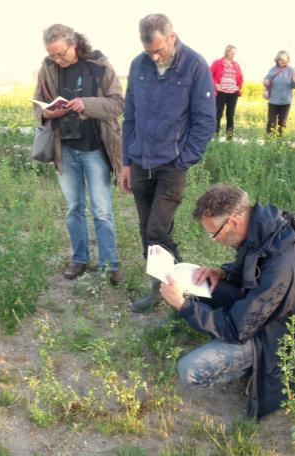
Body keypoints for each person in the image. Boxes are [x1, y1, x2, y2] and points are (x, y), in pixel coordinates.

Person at [159, 185, 295, 419]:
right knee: (197, 288)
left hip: (278, 333)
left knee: (190, 370)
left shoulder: (282, 266)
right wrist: (224, 272)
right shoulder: (263, 229)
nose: (213, 240)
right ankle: (213, 330)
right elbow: (255, 265)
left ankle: (248, 366)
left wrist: (183, 307)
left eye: (213, 233)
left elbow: (237, 328)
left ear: (234, 222)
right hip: (261, 309)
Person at [121, 14, 216, 312]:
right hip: (140, 163)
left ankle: (182, 291)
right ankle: (160, 286)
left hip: (171, 165)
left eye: (159, 49)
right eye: (149, 51)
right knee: (145, 229)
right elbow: (130, 117)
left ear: (172, 37)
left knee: (157, 231)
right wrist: (126, 161)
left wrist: (183, 160)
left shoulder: (195, 65)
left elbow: (205, 120)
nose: (154, 56)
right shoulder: (138, 65)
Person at [33, 24, 124, 283]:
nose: (56, 59)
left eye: (61, 54)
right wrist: (47, 113)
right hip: (65, 149)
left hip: (95, 148)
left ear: (74, 44)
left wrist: (87, 104)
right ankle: (79, 259)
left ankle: (110, 264)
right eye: (52, 55)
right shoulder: (47, 69)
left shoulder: (98, 65)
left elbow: (118, 103)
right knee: (74, 207)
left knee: (102, 210)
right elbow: (37, 105)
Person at [210, 45, 244, 139]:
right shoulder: (217, 62)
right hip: (221, 92)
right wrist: (215, 84)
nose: (233, 55)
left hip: (233, 93)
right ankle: (215, 136)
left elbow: (240, 77)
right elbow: (209, 74)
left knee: (230, 115)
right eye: (232, 52)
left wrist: (238, 87)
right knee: (218, 114)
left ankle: (229, 137)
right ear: (227, 51)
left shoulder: (236, 64)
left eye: (235, 53)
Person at [263, 51, 295, 135]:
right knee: (271, 123)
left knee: (282, 124)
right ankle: (269, 142)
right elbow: (266, 79)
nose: (281, 61)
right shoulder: (273, 69)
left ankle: (280, 143)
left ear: (287, 60)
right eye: (279, 59)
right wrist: (266, 81)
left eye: (283, 59)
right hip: (273, 100)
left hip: (285, 101)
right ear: (277, 60)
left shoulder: (292, 70)